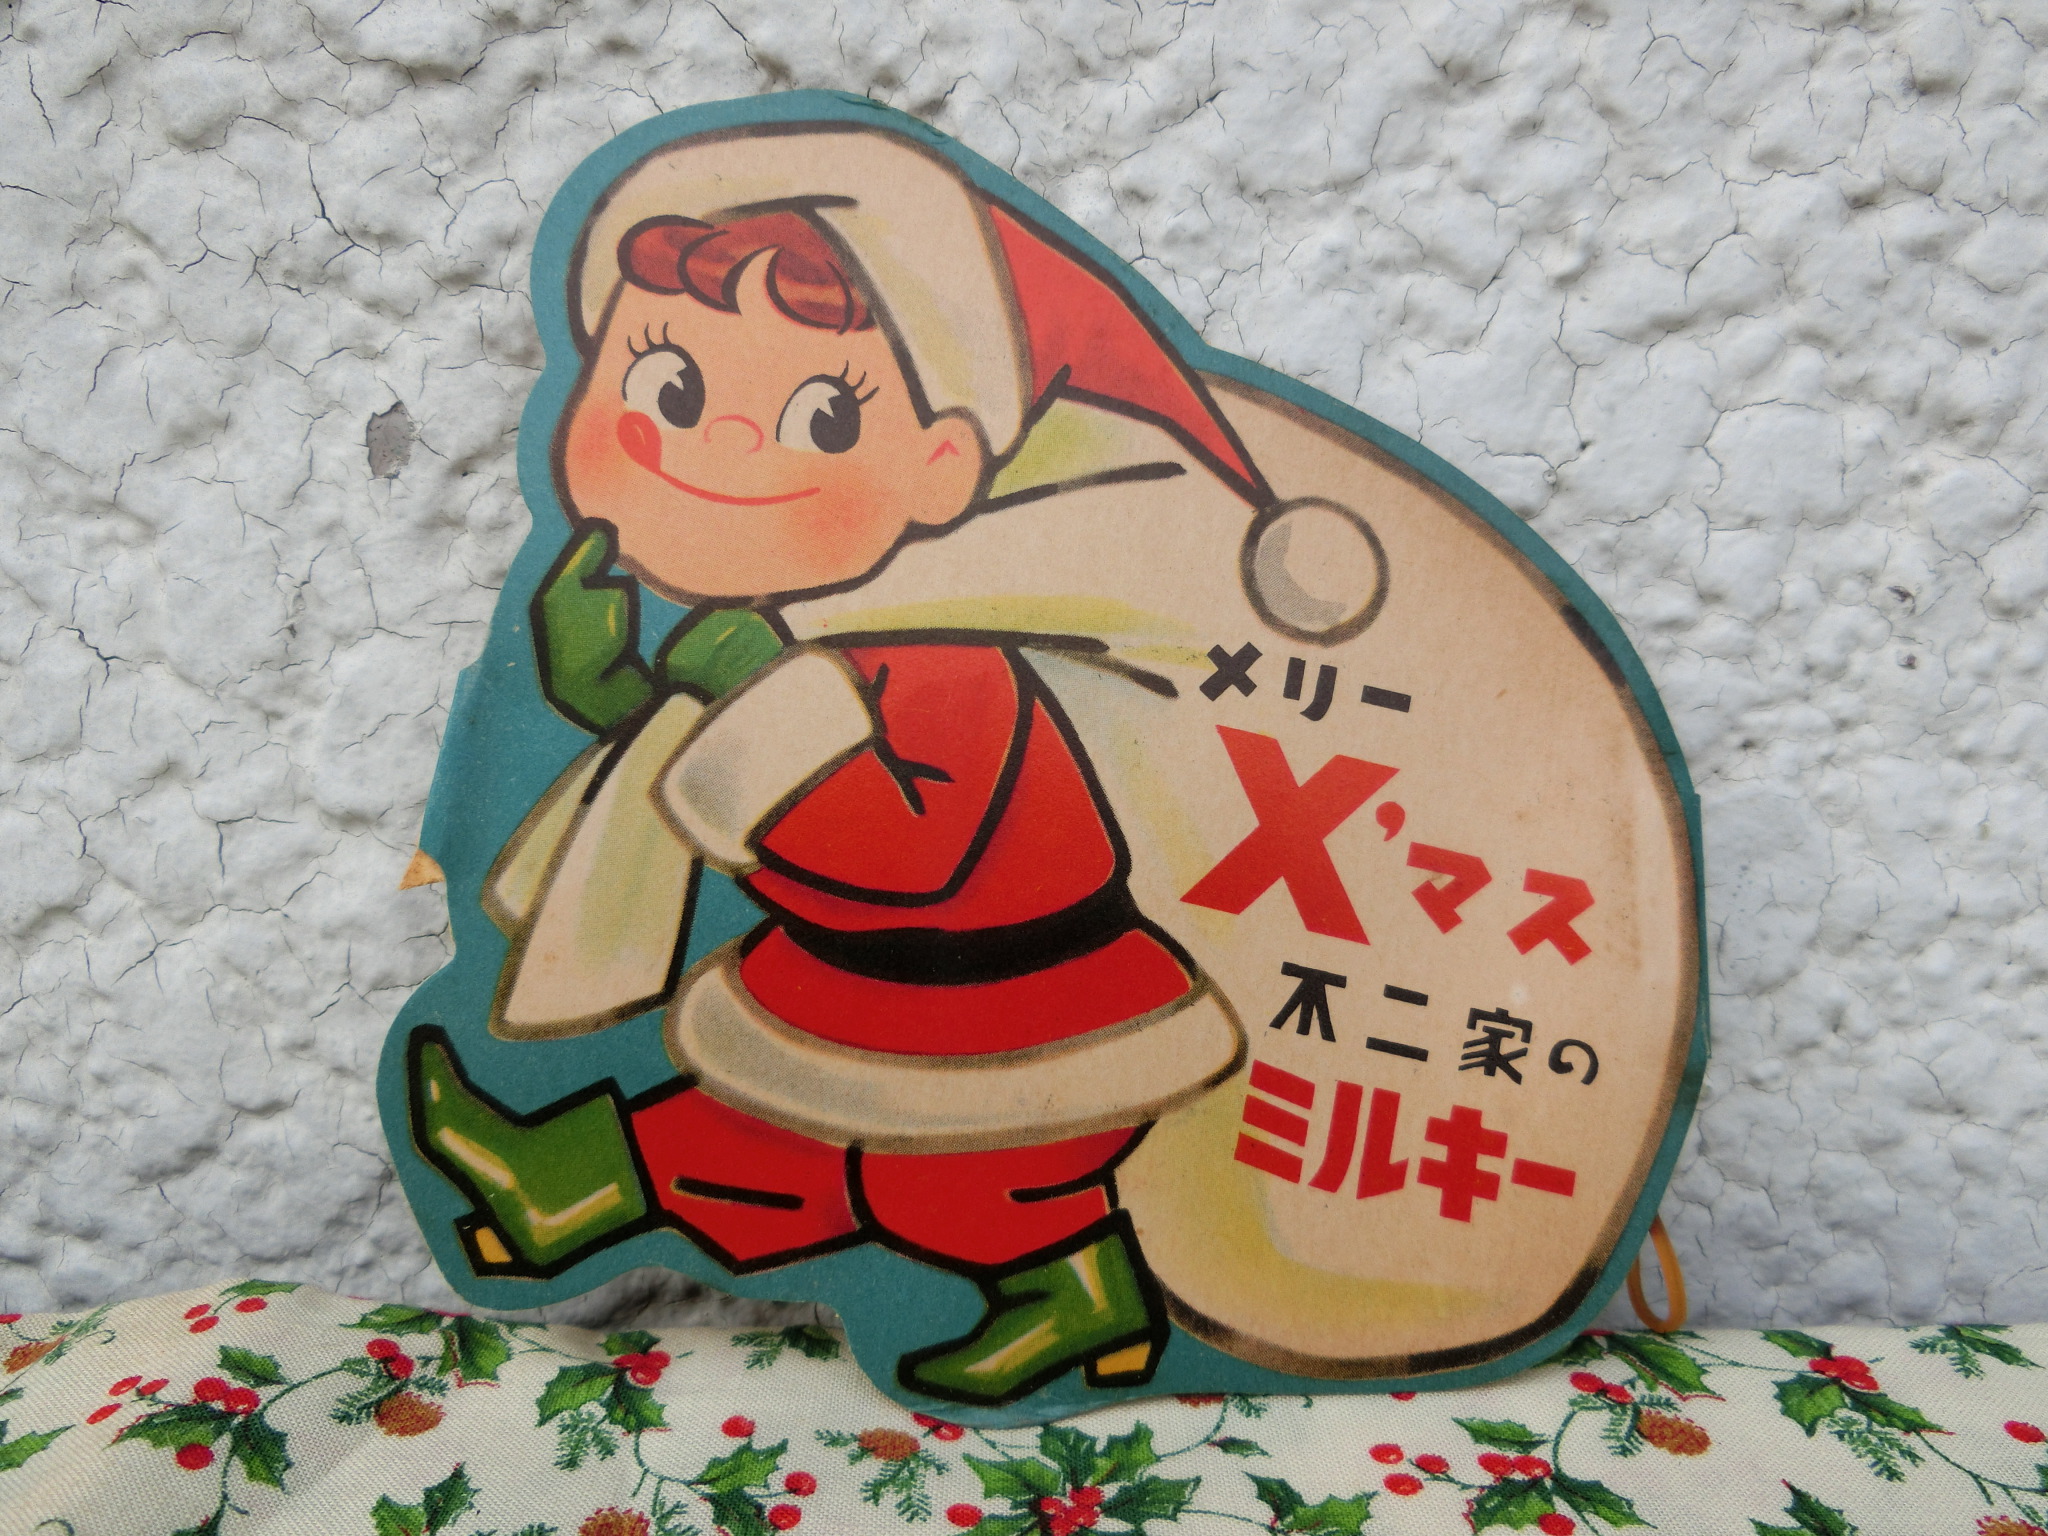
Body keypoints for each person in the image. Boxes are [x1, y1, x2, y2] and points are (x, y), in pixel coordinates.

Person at [409, 125, 1262, 1406]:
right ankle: (559, 1187)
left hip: (1017, 1003)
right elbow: (728, 788)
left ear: (941, 466)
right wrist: (620, 698)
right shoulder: (797, 636)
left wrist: (735, 694)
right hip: (856, 981)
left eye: (820, 415)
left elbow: (907, 846)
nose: (716, 445)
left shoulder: (941, 659)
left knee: (959, 1182)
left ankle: (1082, 1298)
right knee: (753, 1136)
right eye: (667, 388)